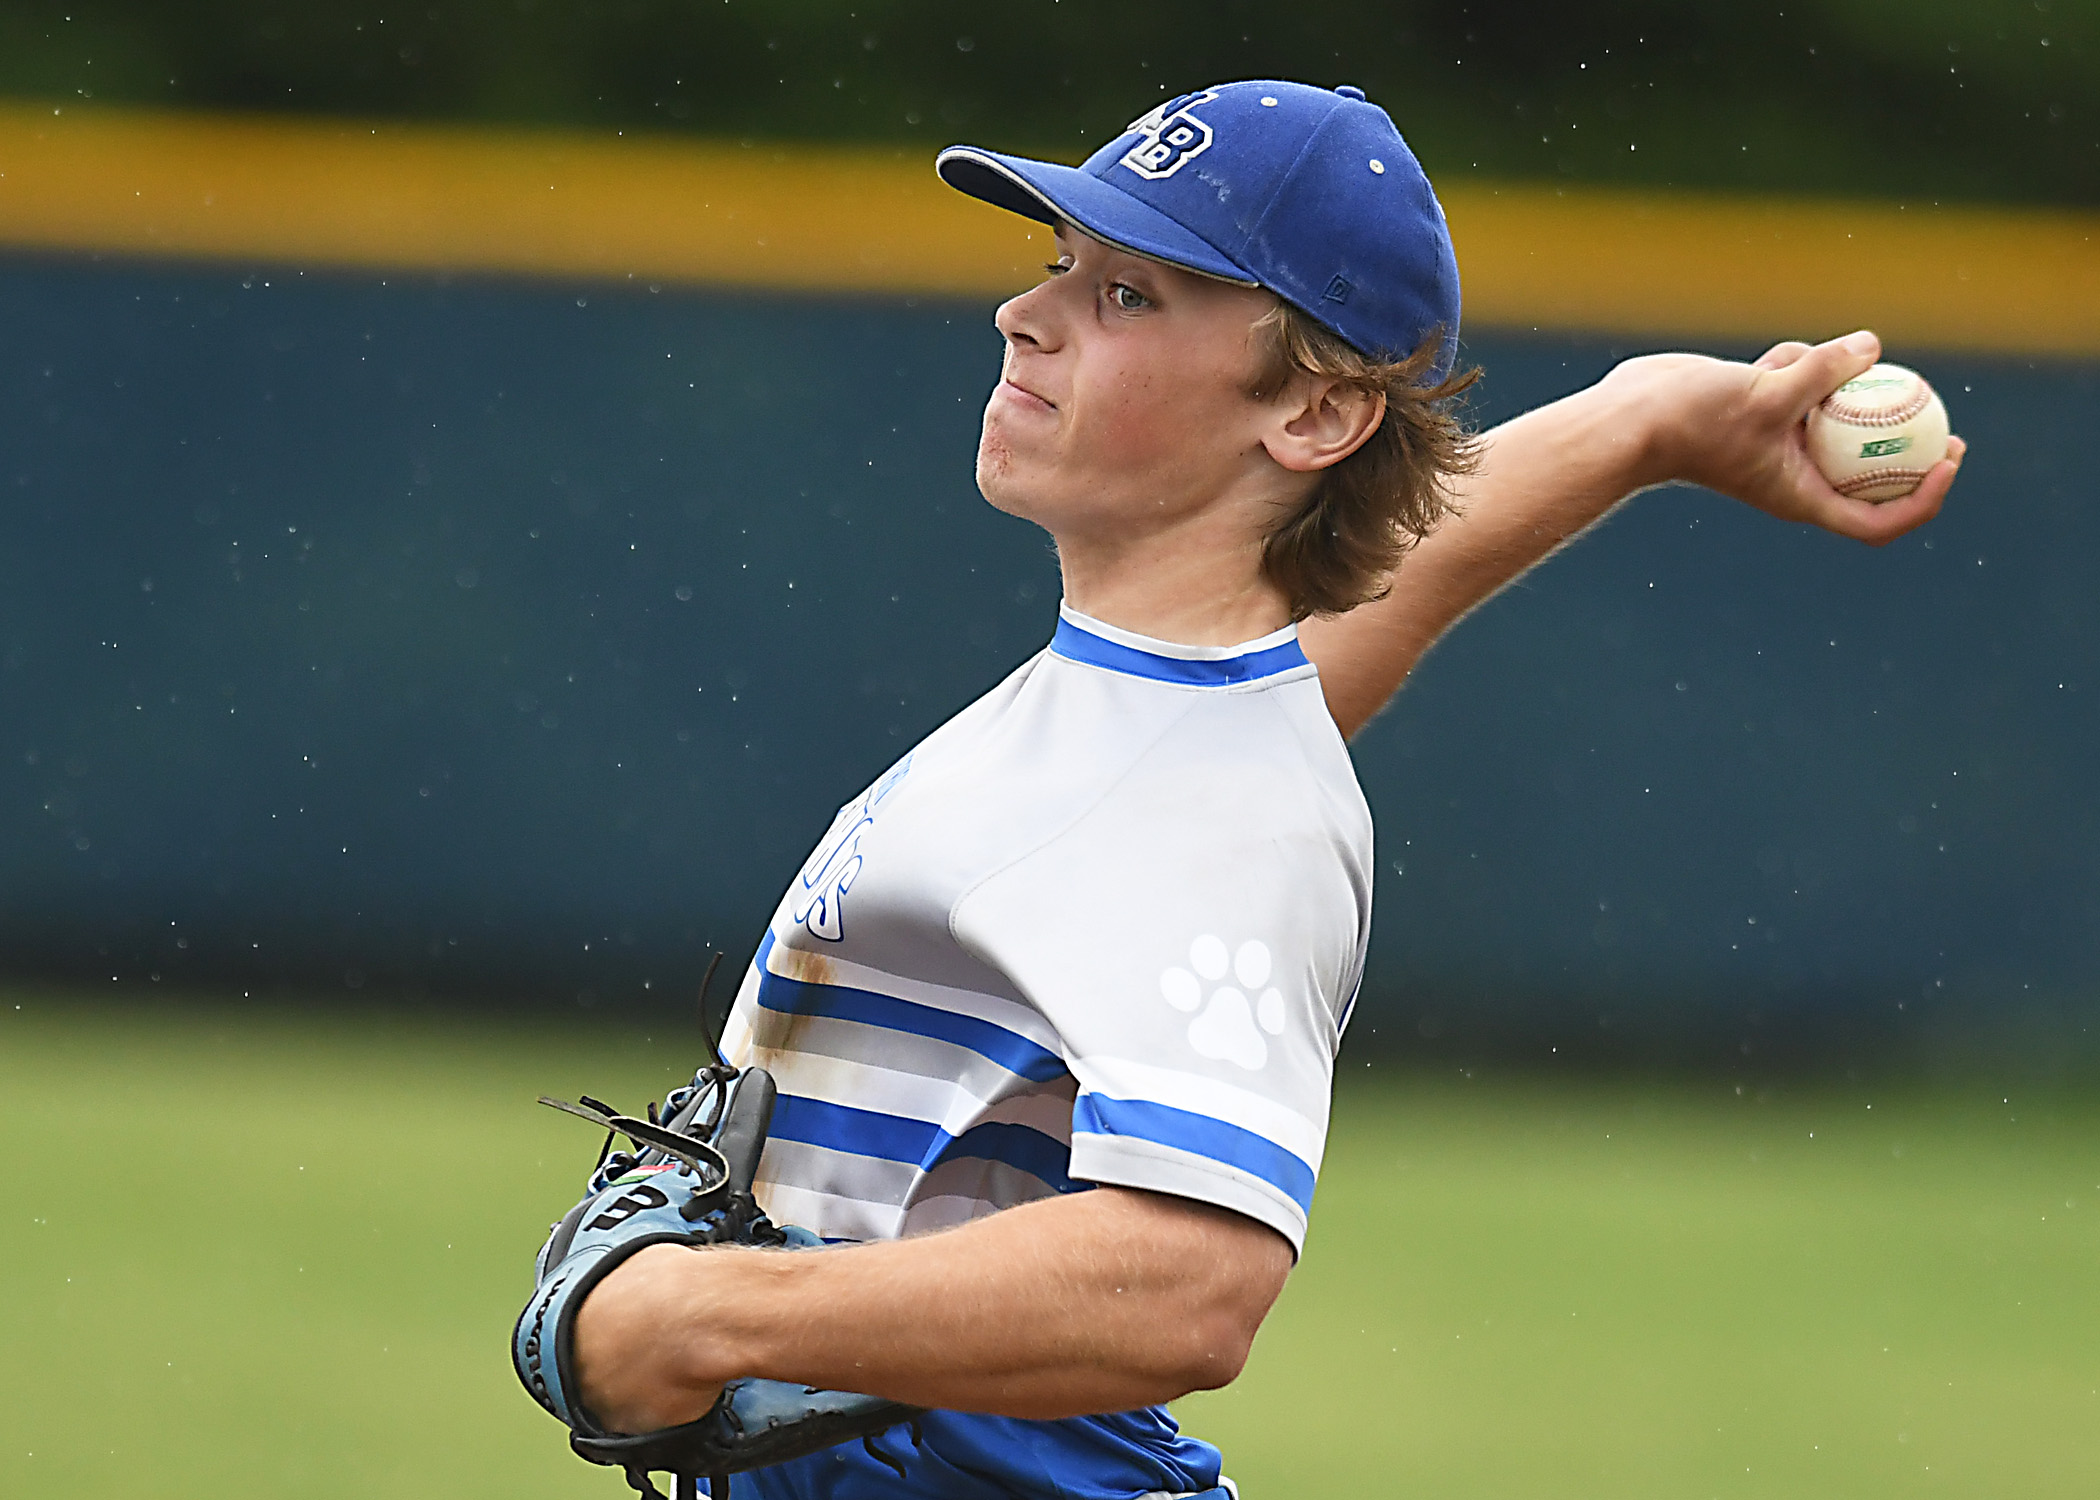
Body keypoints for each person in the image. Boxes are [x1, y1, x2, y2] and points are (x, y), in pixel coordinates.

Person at [568, 79, 1961, 1498]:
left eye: (1131, 297)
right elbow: (1308, 656)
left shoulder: (1228, 812)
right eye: (1061, 267)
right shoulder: (1168, 711)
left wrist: (703, 1318)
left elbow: (1187, 1281)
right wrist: (1643, 418)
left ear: (1312, 414)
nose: (1026, 315)